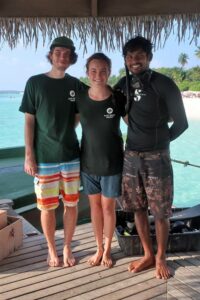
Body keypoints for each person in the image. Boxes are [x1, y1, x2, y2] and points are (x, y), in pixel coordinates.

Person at [114, 36, 188, 279]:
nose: (135, 61)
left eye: (140, 56)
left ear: (149, 58)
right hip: (131, 156)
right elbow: (115, 113)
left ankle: (161, 257)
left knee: (161, 212)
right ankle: (147, 254)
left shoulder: (164, 84)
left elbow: (181, 123)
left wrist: (160, 143)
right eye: (130, 56)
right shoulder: (121, 84)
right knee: (137, 209)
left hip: (158, 157)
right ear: (125, 59)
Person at [19, 36, 83, 267]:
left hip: (70, 156)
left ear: (72, 58)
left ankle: (66, 246)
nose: (62, 57)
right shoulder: (34, 82)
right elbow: (29, 121)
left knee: (72, 204)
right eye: (58, 52)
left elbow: (82, 112)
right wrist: (29, 154)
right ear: (51, 55)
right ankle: (51, 248)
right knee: (46, 207)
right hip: (44, 158)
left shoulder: (75, 84)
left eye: (67, 54)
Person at [76, 53, 126, 268]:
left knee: (108, 209)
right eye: (94, 70)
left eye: (103, 70)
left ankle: (107, 250)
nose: (98, 75)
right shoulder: (80, 98)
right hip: (88, 163)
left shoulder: (117, 97)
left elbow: (133, 123)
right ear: (87, 72)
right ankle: (98, 248)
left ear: (109, 72)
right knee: (94, 208)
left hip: (112, 163)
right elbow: (69, 128)